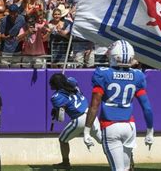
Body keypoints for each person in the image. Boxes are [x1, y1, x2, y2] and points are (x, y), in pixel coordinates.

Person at [83, 40, 154, 171]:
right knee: (126, 169)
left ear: (113, 56)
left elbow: (94, 106)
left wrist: (87, 130)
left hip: (110, 125)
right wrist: (150, 130)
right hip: (130, 127)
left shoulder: (103, 73)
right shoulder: (138, 75)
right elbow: (147, 107)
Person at [50, 73, 101, 169]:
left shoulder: (56, 97)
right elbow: (72, 82)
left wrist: (57, 110)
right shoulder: (72, 82)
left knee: (62, 139)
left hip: (79, 119)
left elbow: (61, 118)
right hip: (91, 114)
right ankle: (124, 157)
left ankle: (66, 163)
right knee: (103, 140)